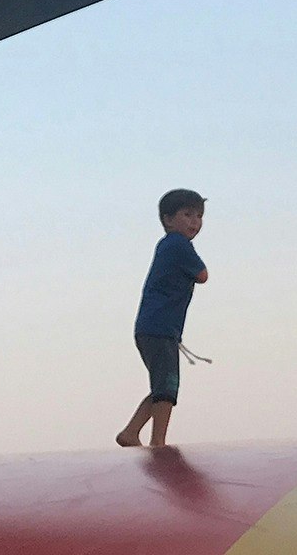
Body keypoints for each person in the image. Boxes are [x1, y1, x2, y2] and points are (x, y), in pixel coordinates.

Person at [116, 189, 209, 448]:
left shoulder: (168, 245)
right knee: (166, 388)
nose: (195, 222)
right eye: (187, 215)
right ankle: (158, 442)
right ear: (168, 219)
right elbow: (202, 275)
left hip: (153, 327)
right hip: (160, 328)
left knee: (163, 386)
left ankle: (131, 432)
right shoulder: (178, 244)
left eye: (199, 216)